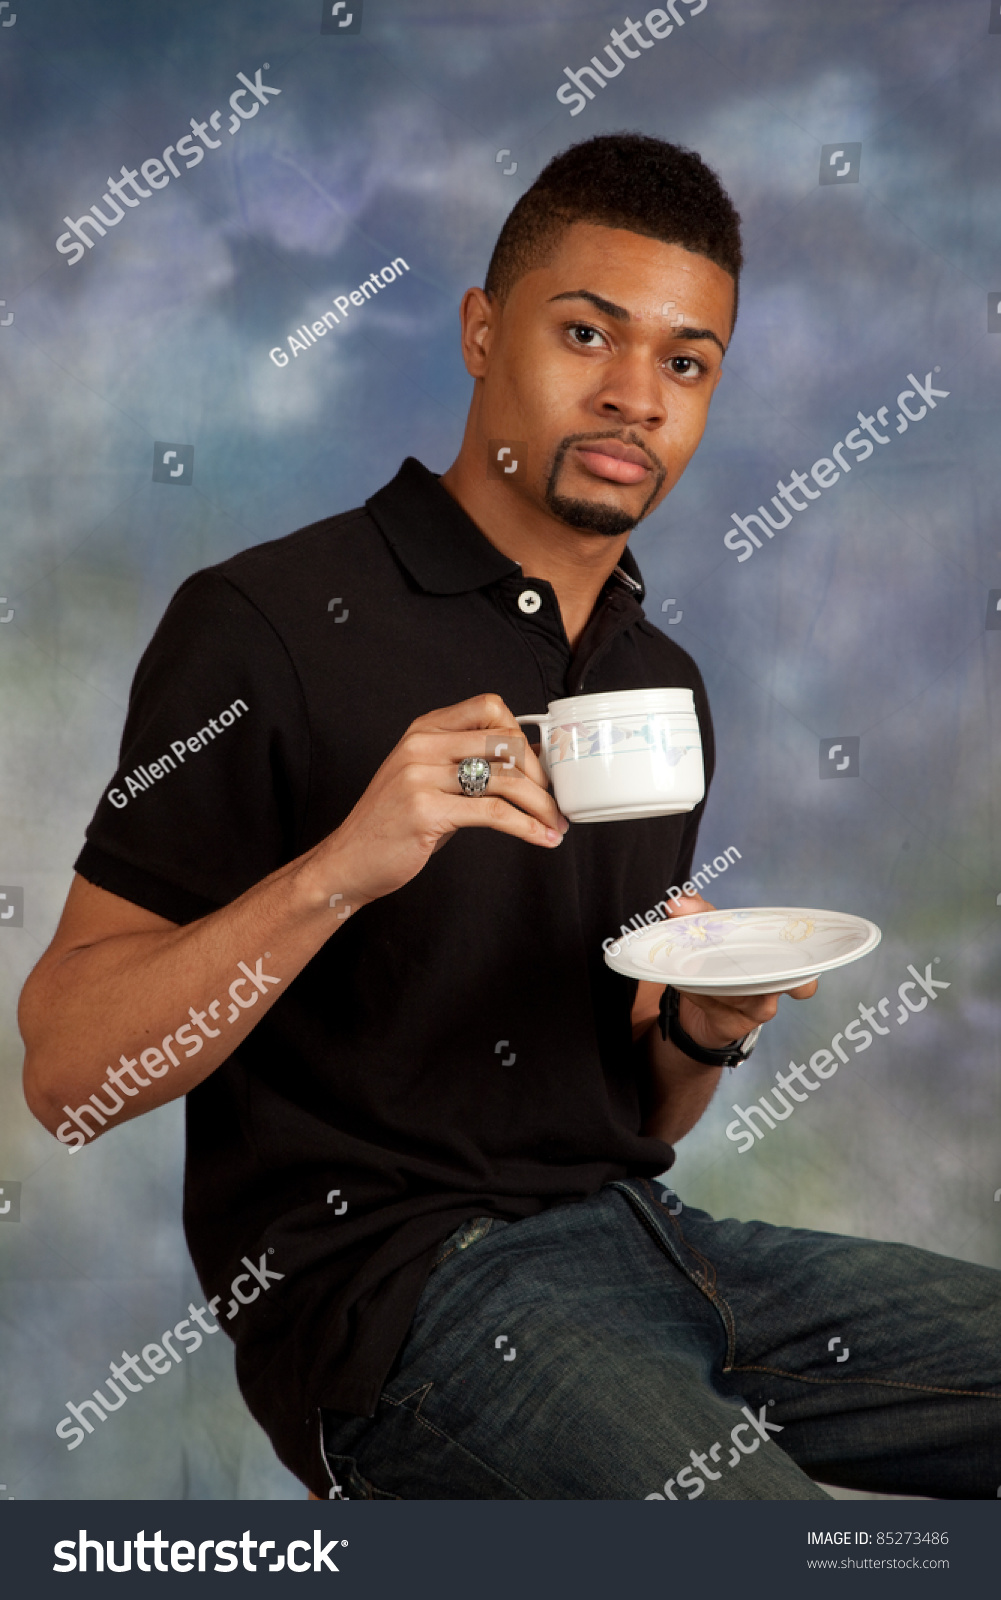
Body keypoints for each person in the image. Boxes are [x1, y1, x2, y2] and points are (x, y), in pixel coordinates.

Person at [20, 135, 1000, 1501]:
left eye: (683, 361)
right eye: (585, 332)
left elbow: (625, 1108)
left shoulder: (655, 686)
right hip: (398, 1301)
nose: (631, 397)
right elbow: (69, 1078)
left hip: (652, 1248)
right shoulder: (267, 625)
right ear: (483, 334)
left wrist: (704, 1026)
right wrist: (339, 872)